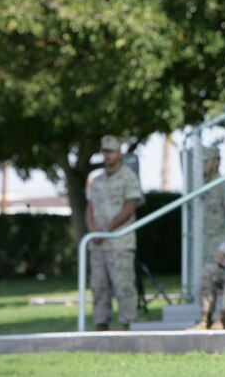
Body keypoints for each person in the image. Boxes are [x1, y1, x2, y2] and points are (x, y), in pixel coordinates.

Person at [85, 135, 143, 331]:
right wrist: (94, 232)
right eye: (104, 151)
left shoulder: (128, 177)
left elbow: (130, 206)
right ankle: (101, 324)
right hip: (98, 244)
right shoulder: (96, 180)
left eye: (111, 151)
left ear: (119, 153)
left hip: (120, 242)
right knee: (99, 286)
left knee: (123, 285)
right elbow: (90, 207)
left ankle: (127, 324)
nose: (107, 155)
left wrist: (106, 231)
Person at [188, 145, 225, 330]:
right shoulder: (203, 187)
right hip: (208, 247)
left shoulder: (223, 185)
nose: (202, 165)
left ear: (216, 162)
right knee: (207, 276)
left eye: (205, 161)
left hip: (223, 248)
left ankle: (221, 319)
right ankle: (204, 319)